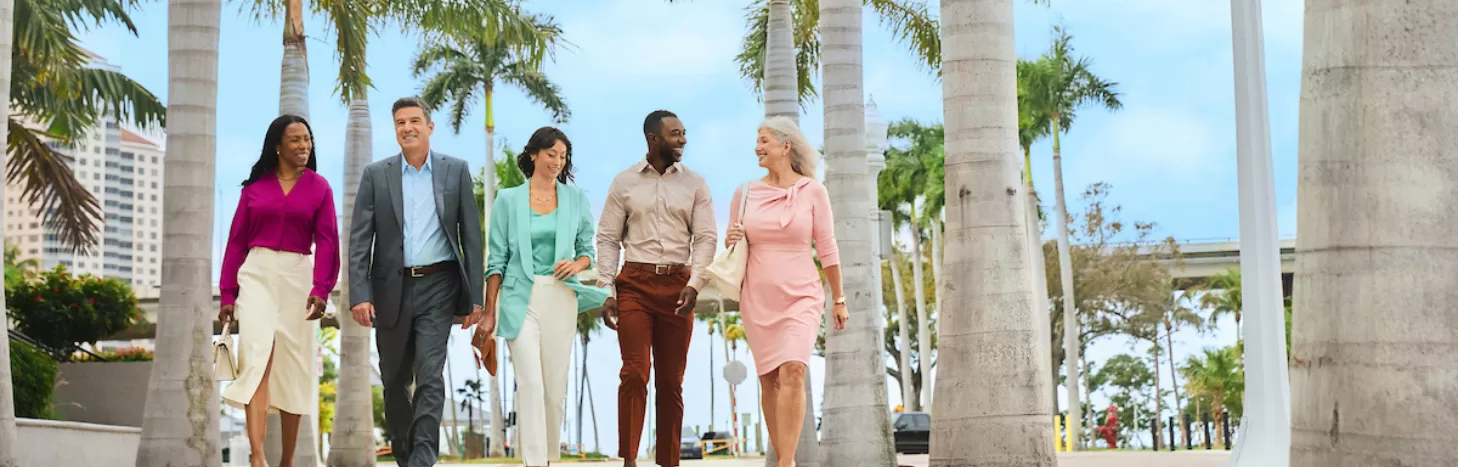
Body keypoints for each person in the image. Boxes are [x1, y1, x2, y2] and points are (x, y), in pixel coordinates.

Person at [347, 97, 485, 467]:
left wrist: (476, 297)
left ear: (429, 126)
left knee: (430, 373)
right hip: (390, 289)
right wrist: (359, 293)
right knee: (394, 382)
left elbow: (471, 236)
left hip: (440, 285)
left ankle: (423, 458)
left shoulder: (455, 171)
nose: (406, 128)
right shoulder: (376, 175)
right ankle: (406, 456)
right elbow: (360, 238)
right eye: (399, 123)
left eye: (413, 121)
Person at [723, 116, 848, 467]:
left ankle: (786, 462)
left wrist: (839, 298)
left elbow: (827, 246)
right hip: (758, 295)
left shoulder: (813, 191)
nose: (757, 147)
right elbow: (733, 243)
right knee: (768, 380)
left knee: (794, 368)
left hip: (802, 294)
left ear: (785, 145)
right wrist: (732, 238)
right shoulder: (745, 192)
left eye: (764, 140)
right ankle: (787, 459)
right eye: (757, 140)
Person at [480, 127, 608, 467]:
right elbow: (496, 259)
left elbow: (587, 252)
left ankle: (551, 458)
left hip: (560, 297)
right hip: (518, 297)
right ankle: (534, 462)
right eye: (551, 154)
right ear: (534, 154)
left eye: (562, 157)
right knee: (532, 385)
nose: (557, 161)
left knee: (554, 392)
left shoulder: (575, 199)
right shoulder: (508, 200)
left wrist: (576, 263)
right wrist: (489, 311)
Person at [597, 110, 717, 467]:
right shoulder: (624, 182)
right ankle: (630, 459)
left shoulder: (695, 183)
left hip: (679, 286)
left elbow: (707, 238)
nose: (682, 139)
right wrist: (607, 288)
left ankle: (668, 461)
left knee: (670, 381)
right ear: (653, 139)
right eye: (674, 134)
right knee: (635, 372)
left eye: (683, 133)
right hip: (634, 283)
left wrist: (695, 283)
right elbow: (607, 238)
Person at [218, 114, 339, 467]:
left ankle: (287, 460)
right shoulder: (254, 190)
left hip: (298, 277)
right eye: (295, 140)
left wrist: (322, 288)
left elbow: (328, 242)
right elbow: (236, 243)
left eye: (307, 139)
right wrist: (228, 294)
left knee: (294, 367)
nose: (303, 146)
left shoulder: (320, 188)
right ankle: (258, 457)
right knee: (257, 358)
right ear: (278, 146)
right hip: (256, 274)